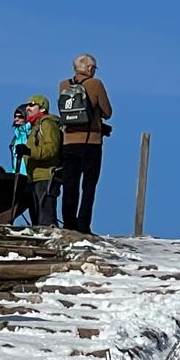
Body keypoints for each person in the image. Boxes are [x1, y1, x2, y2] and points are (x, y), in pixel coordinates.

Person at [57, 53, 113, 234]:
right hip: (91, 142)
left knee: (69, 184)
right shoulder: (95, 84)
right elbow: (107, 112)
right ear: (89, 68)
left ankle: (68, 222)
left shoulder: (64, 85)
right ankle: (83, 225)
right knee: (88, 186)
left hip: (68, 142)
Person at [18, 94, 64, 228]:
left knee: (46, 220)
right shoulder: (35, 126)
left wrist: (29, 152)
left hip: (46, 176)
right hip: (34, 176)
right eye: (27, 105)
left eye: (32, 105)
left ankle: (52, 239)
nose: (28, 108)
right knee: (37, 220)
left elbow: (51, 149)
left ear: (42, 108)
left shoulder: (47, 124)